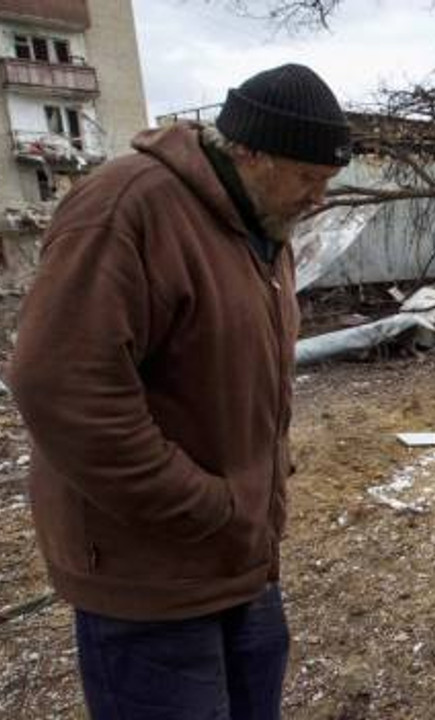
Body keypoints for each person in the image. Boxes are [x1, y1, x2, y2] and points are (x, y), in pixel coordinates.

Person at [8, 63, 351, 718]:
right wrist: (206, 505)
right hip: (150, 583)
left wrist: (261, 483)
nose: (318, 199)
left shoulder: (261, 227)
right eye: (308, 178)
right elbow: (61, 388)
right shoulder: (126, 209)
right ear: (248, 151)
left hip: (241, 560)